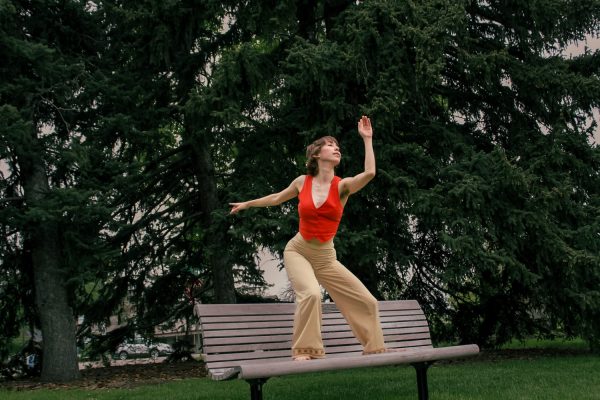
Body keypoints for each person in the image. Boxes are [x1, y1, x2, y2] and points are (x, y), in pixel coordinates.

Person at [230, 116, 391, 361]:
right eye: (329, 145)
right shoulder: (301, 182)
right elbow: (275, 198)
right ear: (316, 154)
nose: (336, 148)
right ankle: (305, 351)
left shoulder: (342, 186)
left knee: (367, 301)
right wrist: (247, 204)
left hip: (326, 257)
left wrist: (367, 139)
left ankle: (374, 348)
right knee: (312, 294)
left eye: (338, 147)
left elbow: (369, 173)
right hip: (298, 251)